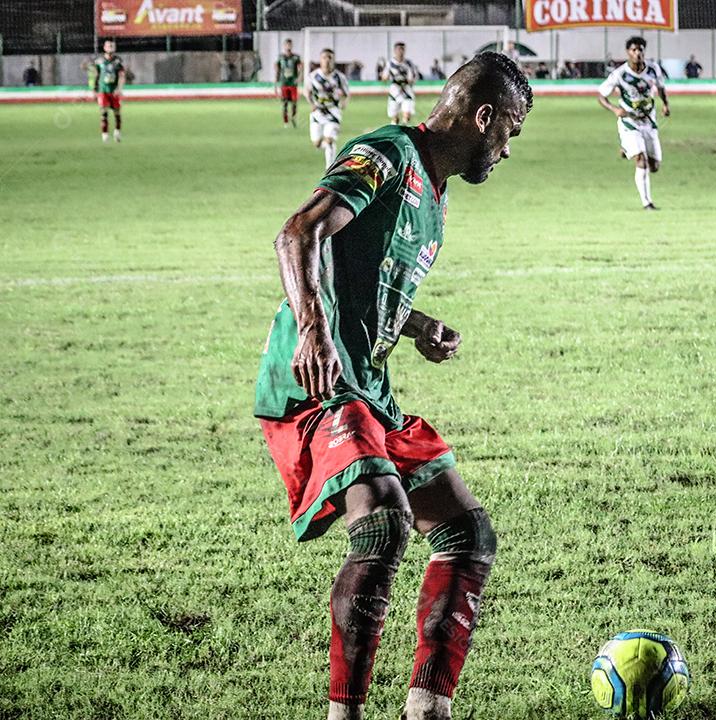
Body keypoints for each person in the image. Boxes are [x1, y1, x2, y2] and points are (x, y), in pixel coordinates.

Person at [255, 50, 531, 720]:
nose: (506, 149)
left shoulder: (434, 201)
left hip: (369, 388)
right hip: (317, 379)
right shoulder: (385, 152)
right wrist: (315, 330)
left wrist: (418, 324)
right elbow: (298, 234)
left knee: (469, 535)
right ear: (484, 115)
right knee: (383, 527)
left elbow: (367, 278)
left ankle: (425, 707)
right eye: (508, 133)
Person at [598, 36, 669, 211]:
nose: (637, 53)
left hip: (649, 120)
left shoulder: (653, 69)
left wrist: (666, 104)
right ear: (628, 52)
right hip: (629, 121)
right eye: (634, 50)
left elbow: (660, 88)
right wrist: (615, 110)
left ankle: (626, 149)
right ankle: (647, 203)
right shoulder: (620, 74)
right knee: (641, 160)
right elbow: (601, 96)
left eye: (640, 50)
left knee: (654, 167)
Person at [307, 48, 350, 168]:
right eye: (324, 57)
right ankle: (330, 148)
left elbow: (346, 93)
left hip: (333, 111)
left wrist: (344, 102)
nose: (327, 60)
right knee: (317, 143)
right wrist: (311, 103)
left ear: (333, 60)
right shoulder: (313, 76)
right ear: (320, 60)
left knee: (329, 139)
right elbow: (307, 91)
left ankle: (330, 169)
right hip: (318, 112)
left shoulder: (339, 77)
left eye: (330, 58)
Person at [92, 40, 125, 143]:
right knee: (103, 112)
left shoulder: (118, 61)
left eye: (112, 46)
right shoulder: (99, 61)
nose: (110, 47)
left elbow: (122, 76)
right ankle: (105, 135)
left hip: (114, 91)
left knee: (117, 113)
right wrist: (94, 89)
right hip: (103, 90)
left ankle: (117, 132)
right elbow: (95, 75)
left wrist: (119, 88)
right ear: (104, 48)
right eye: (108, 46)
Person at [382, 42, 419, 125]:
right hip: (394, 93)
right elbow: (384, 78)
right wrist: (387, 78)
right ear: (395, 50)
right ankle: (395, 131)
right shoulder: (390, 63)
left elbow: (413, 78)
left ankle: (404, 132)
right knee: (395, 118)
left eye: (402, 49)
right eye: (399, 49)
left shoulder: (409, 63)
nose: (401, 51)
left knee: (406, 115)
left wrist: (405, 80)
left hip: (407, 92)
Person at [276, 39, 303, 128]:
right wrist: (276, 82)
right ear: (284, 46)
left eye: (290, 45)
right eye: (287, 45)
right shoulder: (280, 57)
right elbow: (277, 69)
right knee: (285, 103)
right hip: (284, 83)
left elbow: (301, 68)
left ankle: (293, 118)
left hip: (293, 83)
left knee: (294, 103)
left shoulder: (296, 57)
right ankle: (286, 122)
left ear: (292, 46)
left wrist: (299, 77)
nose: (288, 47)